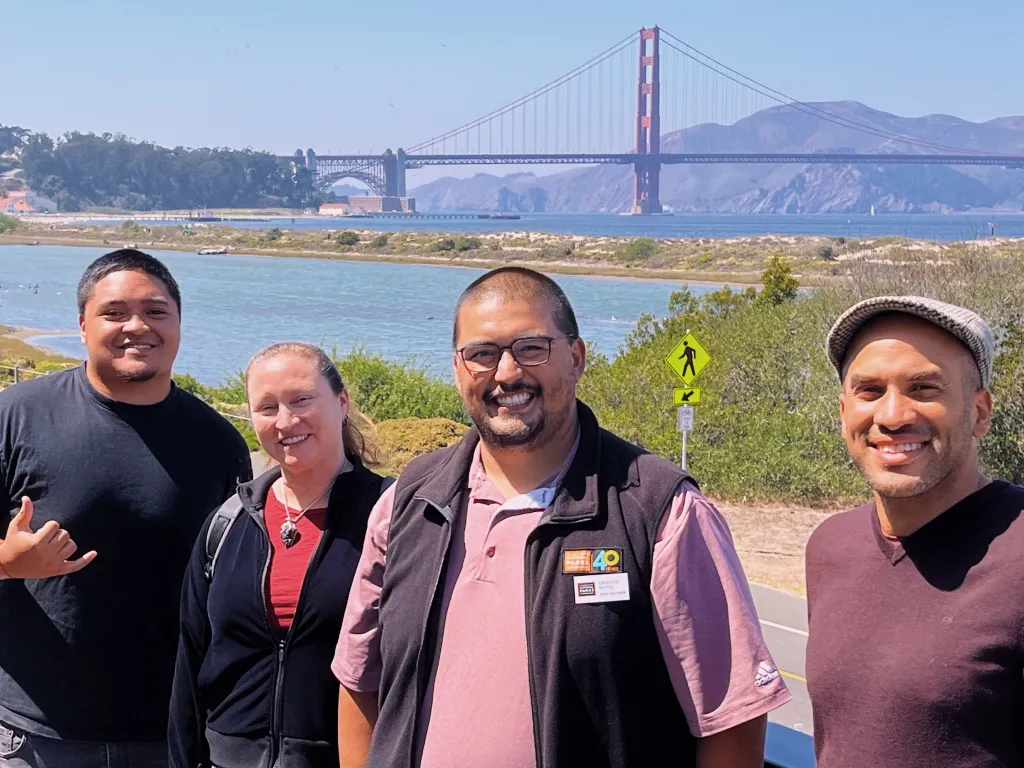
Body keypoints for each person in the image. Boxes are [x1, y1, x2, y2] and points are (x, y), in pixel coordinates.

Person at [333, 266, 790, 768]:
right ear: (459, 369)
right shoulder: (410, 502)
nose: (507, 373)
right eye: (482, 354)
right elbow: (361, 681)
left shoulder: (659, 511)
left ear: (576, 358)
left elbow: (732, 720)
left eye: (531, 348)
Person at [0, 249, 252, 767]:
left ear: (179, 322)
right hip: (37, 737)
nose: (138, 326)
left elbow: (229, 584)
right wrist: (8, 563)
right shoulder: (17, 417)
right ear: (81, 325)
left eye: (157, 311)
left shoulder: (218, 442)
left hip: (171, 733)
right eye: (114, 313)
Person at [806, 296, 1024, 767]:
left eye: (924, 388)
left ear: (980, 412)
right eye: (869, 391)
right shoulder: (830, 547)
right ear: (844, 412)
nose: (892, 416)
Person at [169, 342, 391, 768]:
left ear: (341, 401)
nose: (286, 421)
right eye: (267, 407)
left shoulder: (389, 517)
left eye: (302, 399)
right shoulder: (229, 521)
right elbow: (191, 661)